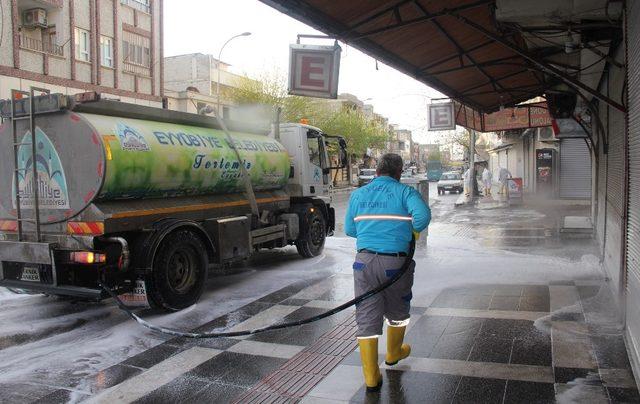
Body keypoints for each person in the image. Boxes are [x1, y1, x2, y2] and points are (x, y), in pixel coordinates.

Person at [344, 153, 431, 392]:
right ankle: (393, 353)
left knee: (366, 316)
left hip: (364, 264)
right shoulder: (405, 193)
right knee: (398, 310)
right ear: (399, 172)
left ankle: (371, 377)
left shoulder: (358, 194)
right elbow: (422, 217)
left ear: (377, 170)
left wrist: (371, 234)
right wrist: (409, 232)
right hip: (396, 264)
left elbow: (349, 229)